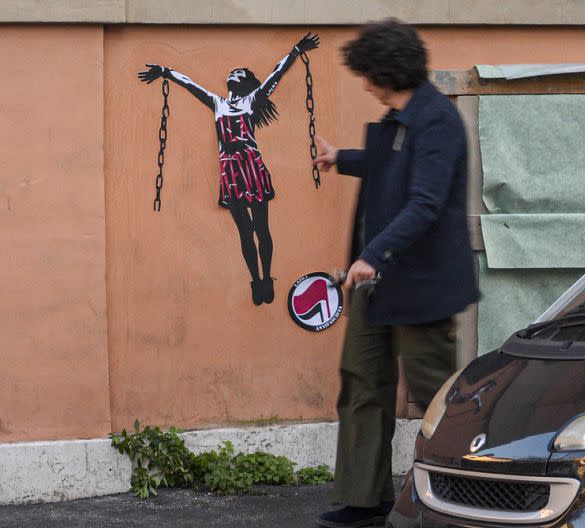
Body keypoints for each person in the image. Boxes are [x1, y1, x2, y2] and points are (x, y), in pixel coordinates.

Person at [312, 19, 479, 528]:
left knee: (436, 401)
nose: (364, 83)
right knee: (363, 385)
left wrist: (372, 255)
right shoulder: (398, 119)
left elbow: (425, 202)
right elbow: (388, 164)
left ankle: (457, 496)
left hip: (421, 285)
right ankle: (364, 500)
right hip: (377, 284)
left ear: (388, 72)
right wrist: (341, 158)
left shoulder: (437, 122)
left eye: (367, 74)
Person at [137, 33, 319, 305]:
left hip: (251, 168)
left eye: (239, 73)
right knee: (244, 232)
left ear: (244, 83)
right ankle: (256, 281)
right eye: (233, 72)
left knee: (261, 229)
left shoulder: (252, 101)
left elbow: (276, 75)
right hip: (231, 171)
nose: (233, 74)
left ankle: (267, 277)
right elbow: (190, 84)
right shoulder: (218, 104)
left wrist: (295, 50)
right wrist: (165, 71)